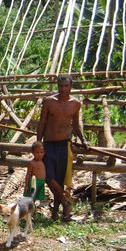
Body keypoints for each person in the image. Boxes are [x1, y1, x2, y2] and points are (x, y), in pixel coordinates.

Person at [37, 74, 87, 221]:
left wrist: (83, 140)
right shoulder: (49, 102)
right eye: (61, 86)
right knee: (48, 177)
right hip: (49, 144)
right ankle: (66, 204)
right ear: (58, 86)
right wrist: (39, 143)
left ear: (71, 86)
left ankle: (56, 211)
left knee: (59, 180)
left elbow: (76, 125)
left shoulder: (75, 104)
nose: (63, 89)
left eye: (66, 86)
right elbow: (42, 123)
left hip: (64, 145)